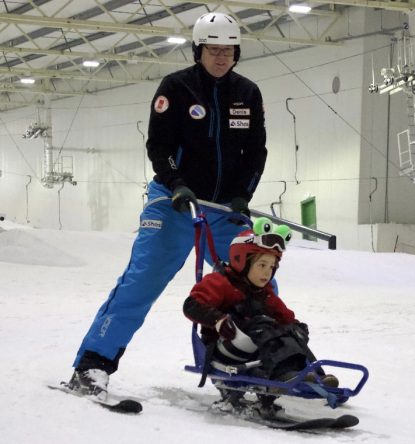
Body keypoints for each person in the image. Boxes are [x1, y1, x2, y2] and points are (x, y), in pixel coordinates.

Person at [67, 12, 268, 399]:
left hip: (226, 209)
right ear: (198, 50)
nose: (221, 57)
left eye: (228, 50)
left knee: (257, 286)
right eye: (213, 49)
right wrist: (176, 182)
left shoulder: (248, 93)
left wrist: (245, 192)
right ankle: (92, 366)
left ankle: (250, 369)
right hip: (173, 202)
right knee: (140, 283)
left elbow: (256, 151)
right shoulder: (175, 88)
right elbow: (158, 146)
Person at [183, 222, 337, 415]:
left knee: (286, 331)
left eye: (272, 266)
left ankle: (312, 376)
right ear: (241, 261)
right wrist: (218, 320)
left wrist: (296, 327)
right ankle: (283, 376)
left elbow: (284, 315)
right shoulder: (220, 282)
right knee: (263, 325)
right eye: (262, 265)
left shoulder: (264, 292)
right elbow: (191, 305)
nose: (267, 272)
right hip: (224, 348)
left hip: (251, 347)